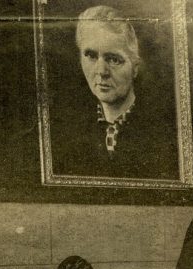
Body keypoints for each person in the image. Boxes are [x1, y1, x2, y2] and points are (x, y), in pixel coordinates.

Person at [51, 5, 179, 179]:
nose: (101, 71)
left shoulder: (166, 132)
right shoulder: (67, 132)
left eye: (113, 59)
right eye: (91, 56)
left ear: (135, 68)